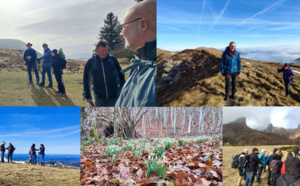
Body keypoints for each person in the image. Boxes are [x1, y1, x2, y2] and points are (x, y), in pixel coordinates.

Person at [115, 0, 157, 107]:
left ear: (142, 25)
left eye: (123, 26)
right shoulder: (139, 66)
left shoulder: (160, 75)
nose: (121, 33)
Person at [83, 40, 125, 106]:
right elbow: (86, 79)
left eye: (106, 50)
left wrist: (122, 90)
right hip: (99, 97)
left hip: (114, 95)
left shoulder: (112, 59)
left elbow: (121, 75)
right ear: (96, 51)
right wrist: (87, 95)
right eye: (102, 51)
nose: (104, 53)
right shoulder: (90, 62)